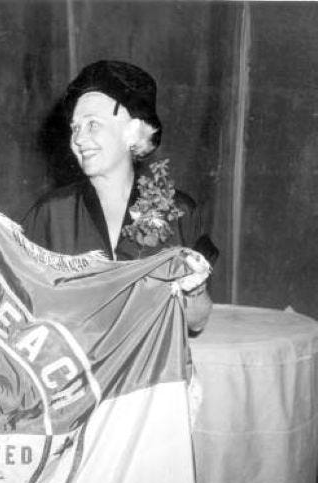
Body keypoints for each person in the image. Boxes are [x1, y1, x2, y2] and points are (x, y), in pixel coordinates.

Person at [23, 60, 217, 333]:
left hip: (151, 359)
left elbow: (196, 322)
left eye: (93, 124)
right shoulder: (50, 214)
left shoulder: (177, 211)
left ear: (133, 133)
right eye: (75, 127)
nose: (78, 139)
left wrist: (194, 289)